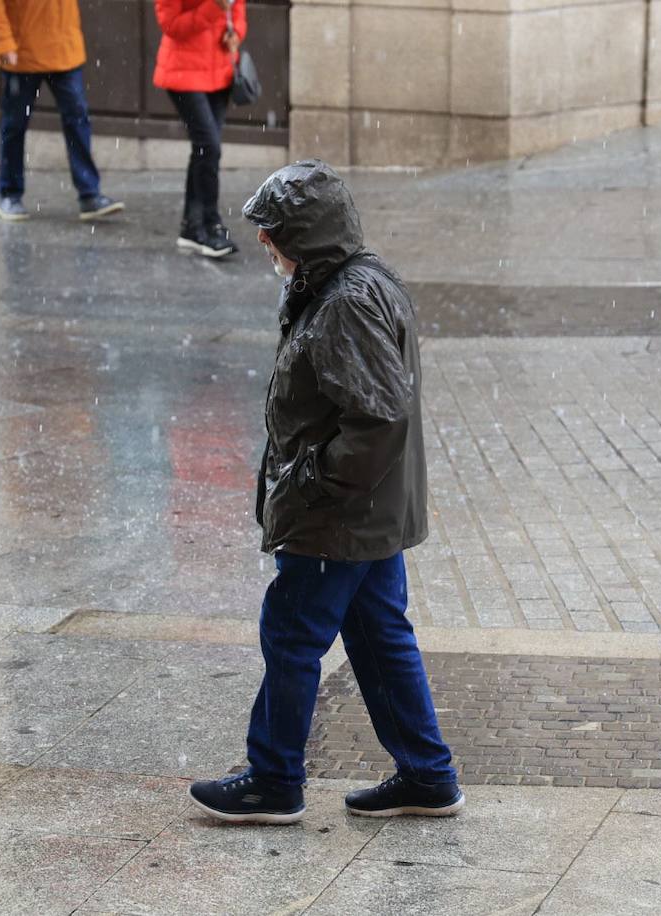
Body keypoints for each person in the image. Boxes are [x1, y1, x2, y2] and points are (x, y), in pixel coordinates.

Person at [188, 160, 465, 824]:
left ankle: (274, 777)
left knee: (291, 633)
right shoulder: (348, 284)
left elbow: (377, 420)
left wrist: (311, 485)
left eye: (273, 230)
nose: (263, 241)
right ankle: (428, 775)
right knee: (377, 635)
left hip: (339, 516)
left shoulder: (345, 303)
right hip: (366, 513)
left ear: (308, 234)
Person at [0, 0, 123, 223]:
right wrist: (3, 42)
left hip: (64, 48)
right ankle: (10, 194)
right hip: (22, 52)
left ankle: (89, 193)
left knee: (77, 118)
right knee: (15, 125)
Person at [153, 0, 246, 258]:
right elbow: (170, 24)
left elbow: (238, 11)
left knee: (205, 150)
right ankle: (211, 225)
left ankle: (192, 228)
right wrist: (213, 8)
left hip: (221, 71)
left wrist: (235, 32)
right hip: (184, 73)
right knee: (209, 147)